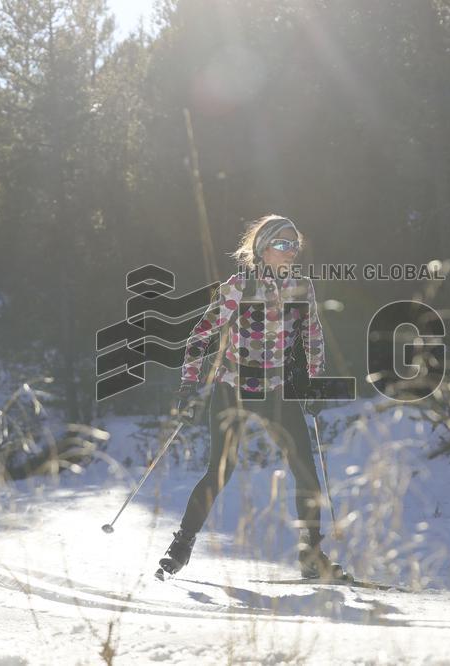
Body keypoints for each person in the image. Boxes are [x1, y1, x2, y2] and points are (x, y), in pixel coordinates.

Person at [156, 214, 351, 581]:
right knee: (220, 470)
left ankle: (312, 556)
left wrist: (314, 379)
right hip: (235, 390)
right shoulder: (238, 286)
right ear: (263, 249)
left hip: (279, 390)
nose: (290, 251)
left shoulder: (301, 286)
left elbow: (312, 336)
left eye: (295, 244)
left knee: (305, 469)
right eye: (282, 244)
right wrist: (189, 383)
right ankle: (180, 546)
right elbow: (201, 335)